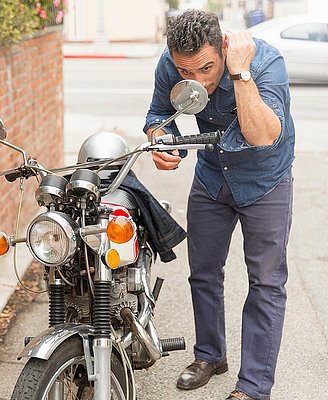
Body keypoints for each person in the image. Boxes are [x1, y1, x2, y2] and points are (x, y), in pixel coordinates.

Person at [143, 9, 295, 400]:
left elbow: (263, 137)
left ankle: (253, 386)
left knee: (265, 282)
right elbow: (160, 115)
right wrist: (161, 141)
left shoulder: (264, 62)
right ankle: (210, 356)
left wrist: (240, 75)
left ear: (224, 48)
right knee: (204, 272)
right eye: (185, 72)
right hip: (212, 177)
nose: (196, 80)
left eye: (206, 69)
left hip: (265, 182)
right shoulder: (174, 62)